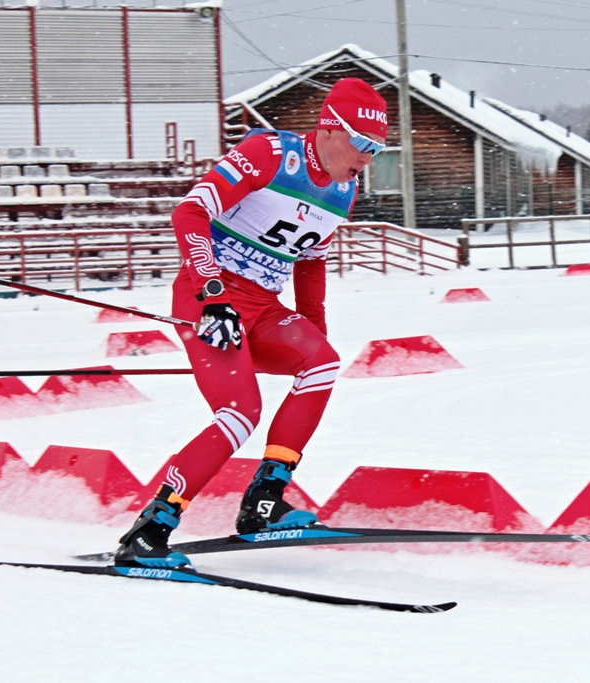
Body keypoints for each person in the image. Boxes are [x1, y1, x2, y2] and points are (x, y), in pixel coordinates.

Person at [114, 78, 389, 568]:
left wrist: (312, 330)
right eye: (363, 144)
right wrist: (211, 293)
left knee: (322, 363)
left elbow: (310, 264)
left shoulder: (345, 188)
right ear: (330, 129)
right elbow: (191, 212)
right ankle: (152, 527)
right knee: (240, 412)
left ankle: (264, 502)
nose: (368, 158)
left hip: (262, 305)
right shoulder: (268, 153)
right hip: (208, 295)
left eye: (378, 149)